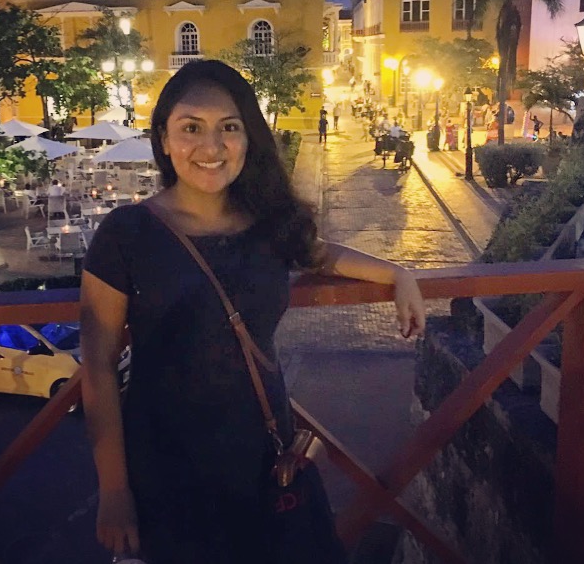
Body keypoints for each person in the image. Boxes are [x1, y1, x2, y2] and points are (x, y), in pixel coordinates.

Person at [79, 59, 426, 563]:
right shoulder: (127, 233)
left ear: (249, 138)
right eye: (191, 128)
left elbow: (320, 252)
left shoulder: (268, 223)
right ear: (163, 137)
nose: (211, 147)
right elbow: (97, 363)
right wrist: (113, 491)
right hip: (168, 467)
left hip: (264, 457)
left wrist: (398, 273)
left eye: (230, 128)